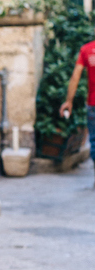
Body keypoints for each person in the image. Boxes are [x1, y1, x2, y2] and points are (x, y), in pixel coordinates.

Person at [60, 33, 95, 185]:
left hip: (93, 104)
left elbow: (75, 77)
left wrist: (69, 101)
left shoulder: (87, 50)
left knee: (94, 141)